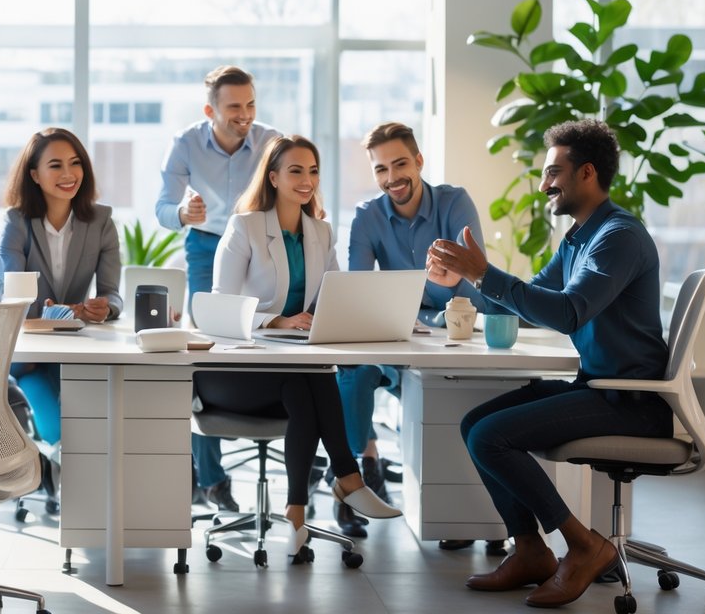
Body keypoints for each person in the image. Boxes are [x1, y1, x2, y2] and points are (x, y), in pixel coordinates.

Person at [426, 119, 672, 608]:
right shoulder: (581, 237)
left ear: (586, 173)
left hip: (631, 399)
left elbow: (566, 312)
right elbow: (524, 303)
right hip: (599, 385)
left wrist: (485, 273)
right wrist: (465, 280)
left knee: (490, 436)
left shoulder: (617, 237)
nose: (543, 186)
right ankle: (531, 550)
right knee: (476, 422)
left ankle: (583, 546)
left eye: (552, 173)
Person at [202, 135, 400, 560]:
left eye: (313, 170)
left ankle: (297, 510)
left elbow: (333, 297)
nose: (307, 179)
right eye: (295, 170)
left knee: (306, 380)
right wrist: (275, 320)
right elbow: (219, 309)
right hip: (234, 373)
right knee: (307, 378)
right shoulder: (246, 227)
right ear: (273, 177)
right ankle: (347, 479)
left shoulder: (320, 232)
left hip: (292, 373)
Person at [338, 122, 491, 542]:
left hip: (454, 328)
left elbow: (473, 281)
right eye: (380, 169)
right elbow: (358, 286)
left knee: (453, 400)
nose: (391, 178)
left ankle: (460, 507)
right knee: (353, 372)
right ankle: (360, 471)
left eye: (400, 163)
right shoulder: (367, 217)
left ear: (419, 161)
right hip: (397, 331)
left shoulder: (454, 203)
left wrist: (442, 284)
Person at [154, 64, 280, 512]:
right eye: (234, 107)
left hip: (261, 242)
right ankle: (210, 476)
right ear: (211, 109)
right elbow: (163, 208)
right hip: (206, 244)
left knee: (269, 335)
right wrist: (183, 214)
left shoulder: (270, 141)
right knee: (205, 349)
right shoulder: (186, 143)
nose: (244, 115)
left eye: (250, 105)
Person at [0, 127, 123, 447]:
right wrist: (61, 311)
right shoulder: (15, 222)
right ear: (35, 175)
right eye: (55, 165)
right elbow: (10, 297)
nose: (68, 174)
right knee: (58, 431)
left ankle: (58, 476)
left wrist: (105, 307)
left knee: (95, 431)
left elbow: (112, 293)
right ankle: (46, 471)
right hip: (29, 356)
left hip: (75, 351)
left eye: (75, 163)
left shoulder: (102, 221)